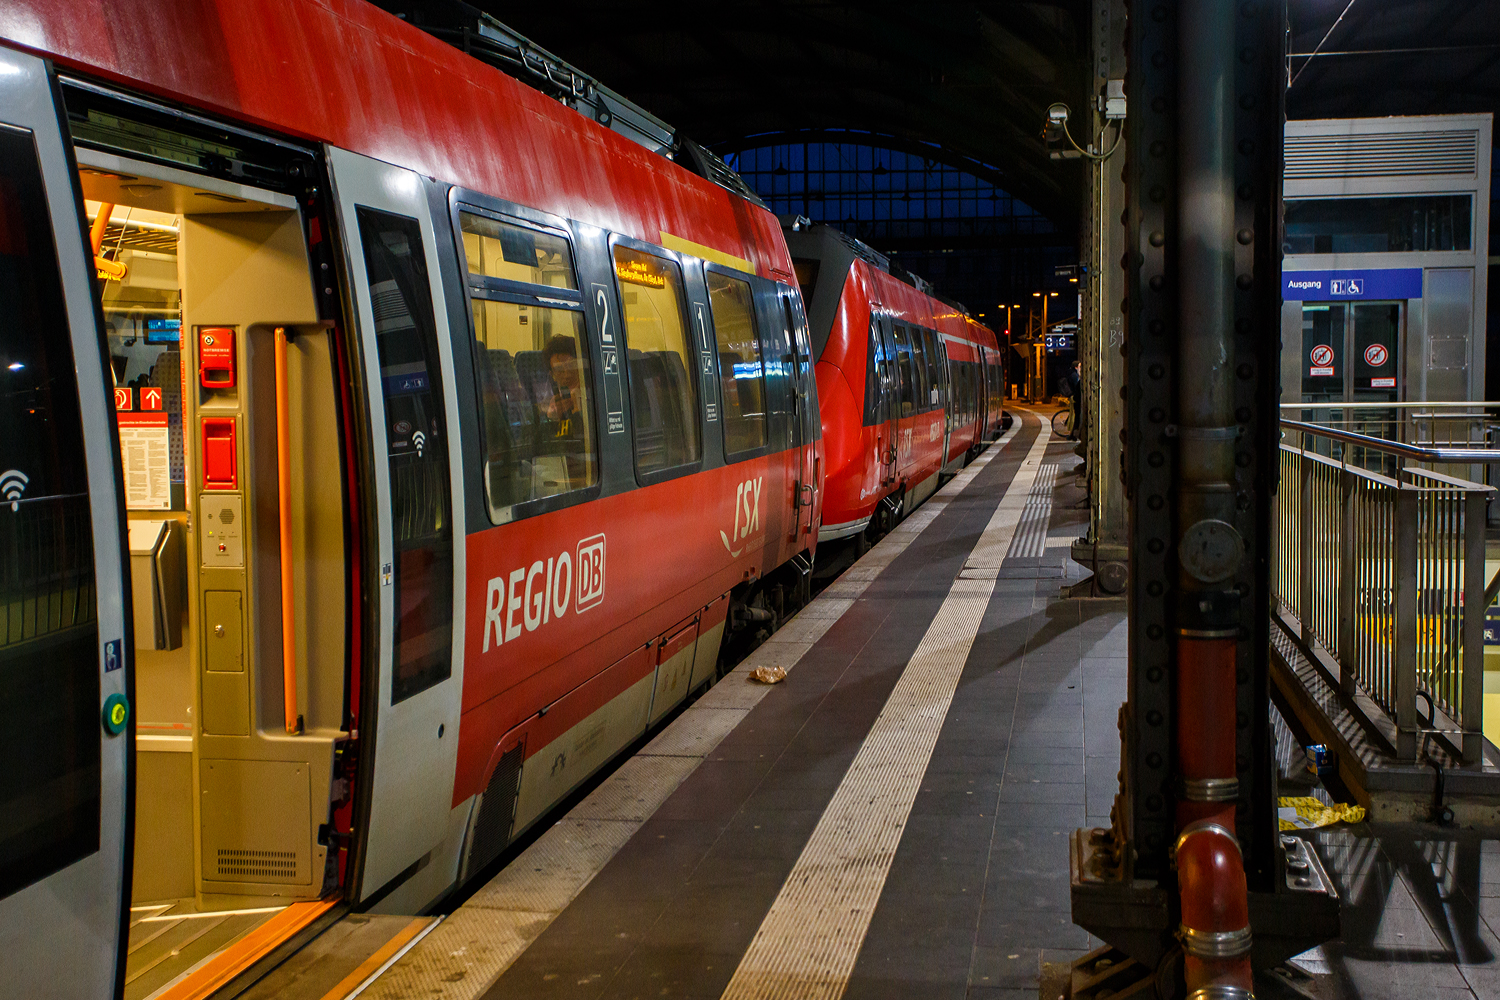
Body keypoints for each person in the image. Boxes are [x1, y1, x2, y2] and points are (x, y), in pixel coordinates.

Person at [1062, 359, 1082, 440]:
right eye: (1080, 366)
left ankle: (1072, 434)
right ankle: (1073, 435)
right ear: (1076, 367)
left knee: (1074, 416)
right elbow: (1077, 386)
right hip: (1075, 398)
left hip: (1074, 397)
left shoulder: (1071, 374)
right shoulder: (1074, 375)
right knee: (1076, 417)